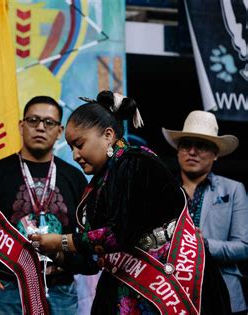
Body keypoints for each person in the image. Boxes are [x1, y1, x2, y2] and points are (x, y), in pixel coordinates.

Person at [31, 91, 232, 314]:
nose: (75, 155)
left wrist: (62, 242)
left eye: (79, 144)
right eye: (70, 148)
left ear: (108, 135)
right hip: (124, 286)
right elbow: (96, 259)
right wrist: (56, 253)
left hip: (170, 283)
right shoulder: (98, 184)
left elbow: (119, 235)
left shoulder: (138, 163)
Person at [0, 96, 88, 314]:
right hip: (7, 287)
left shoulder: (75, 178)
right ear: (21, 125)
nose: (40, 127)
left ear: (59, 130)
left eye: (49, 123)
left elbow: (85, 237)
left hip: (61, 288)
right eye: (33, 120)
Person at [162, 110, 248, 314]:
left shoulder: (233, 189)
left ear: (216, 153)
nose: (192, 151)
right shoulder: (163, 192)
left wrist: (204, 244)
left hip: (223, 294)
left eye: (201, 146)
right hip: (172, 295)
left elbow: (244, 247)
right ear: (177, 150)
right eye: (186, 145)